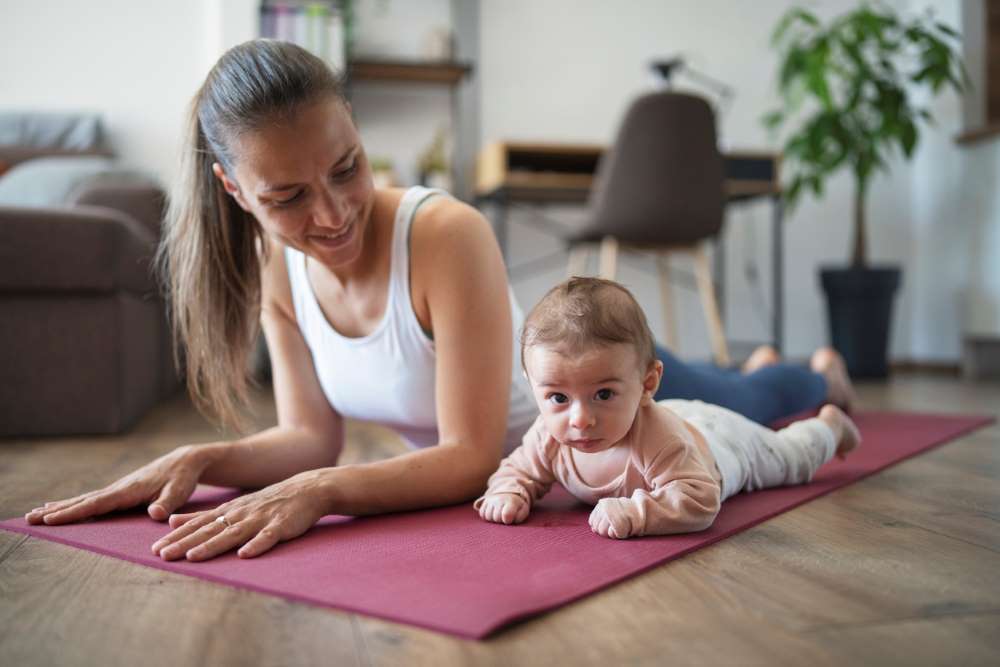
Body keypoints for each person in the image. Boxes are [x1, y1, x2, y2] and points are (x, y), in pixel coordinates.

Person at [24, 40, 855, 561]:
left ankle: (808, 371)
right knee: (744, 380)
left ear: (355, 126)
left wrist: (327, 490)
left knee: (761, 402)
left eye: (347, 167)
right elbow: (313, 435)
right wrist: (202, 461)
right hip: (561, 435)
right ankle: (772, 366)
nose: (333, 212)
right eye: (286, 198)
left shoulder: (444, 233)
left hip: (610, 420)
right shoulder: (278, 271)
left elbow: (467, 454)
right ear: (234, 191)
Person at [475, 277, 860, 538]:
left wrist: (635, 514)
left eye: (604, 394)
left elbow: (700, 499)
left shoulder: (659, 441)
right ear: (533, 387)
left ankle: (829, 428)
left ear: (647, 384)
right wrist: (509, 492)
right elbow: (518, 468)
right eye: (558, 398)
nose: (579, 419)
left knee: (789, 457)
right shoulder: (548, 435)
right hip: (675, 416)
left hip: (721, 442)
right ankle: (762, 369)